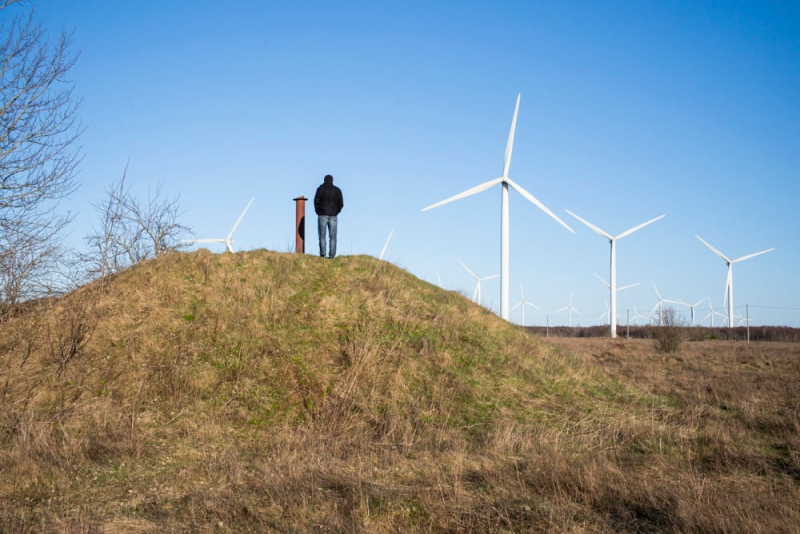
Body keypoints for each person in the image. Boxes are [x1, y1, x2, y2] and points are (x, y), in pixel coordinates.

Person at [314, 174, 344, 258]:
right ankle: (332, 254)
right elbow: (341, 203)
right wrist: (336, 211)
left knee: (322, 236)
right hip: (333, 215)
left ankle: (323, 253)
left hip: (322, 214)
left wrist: (318, 211)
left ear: (324, 180)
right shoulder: (337, 190)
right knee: (333, 236)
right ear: (332, 180)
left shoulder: (320, 189)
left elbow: (316, 201)